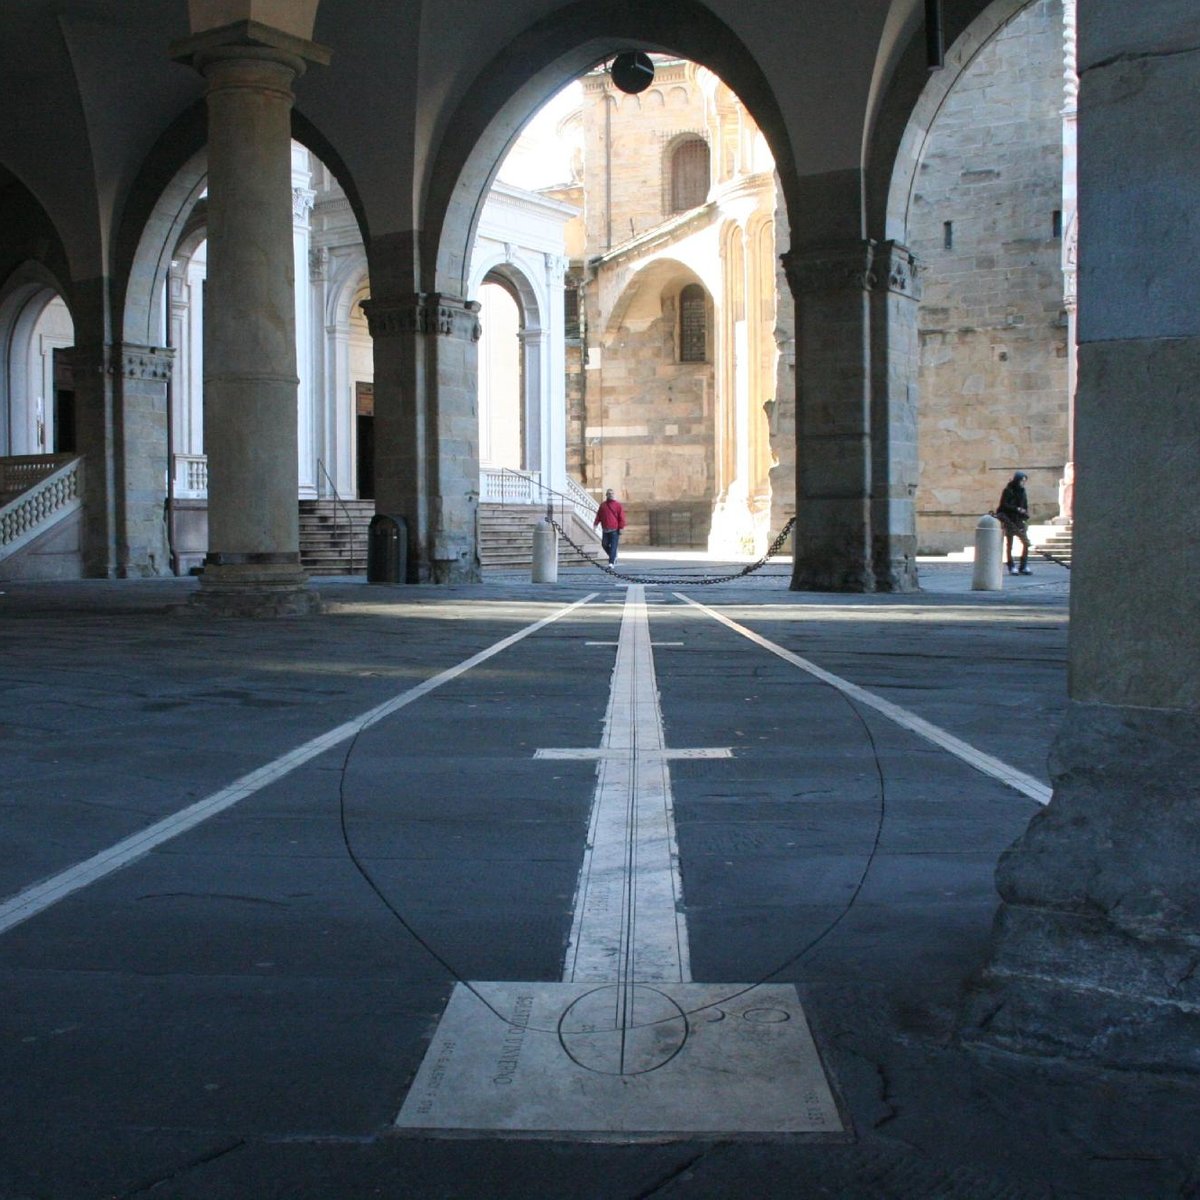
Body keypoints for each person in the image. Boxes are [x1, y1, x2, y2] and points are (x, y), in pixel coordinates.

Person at [996, 470, 1033, 574]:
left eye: (1024, 481)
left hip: (1019, 519)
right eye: (1021, 481)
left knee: (1025, 542)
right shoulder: (1008, 490)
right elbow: (1003, 505)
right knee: (1010, 544)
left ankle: (1024, 564)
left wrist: (1024, 514)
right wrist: (1016, 509)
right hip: (1009, 519)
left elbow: (1025, 504)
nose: (1023, 483)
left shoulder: (1023, 491)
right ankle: (1011, 565)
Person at [593, 488, 627, 565]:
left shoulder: (618, 505)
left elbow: (621, 517)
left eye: (612, 493)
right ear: (606, 495)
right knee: (604, 544)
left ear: (614, 495)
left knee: (613, 546)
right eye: (609, 493)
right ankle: (613, 556)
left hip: (615, 529)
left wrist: (621, 527)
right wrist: (595, 524)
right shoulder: (603, 505)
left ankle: (611, 562)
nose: (611, 495)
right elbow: (599, 516)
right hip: (605, 529)